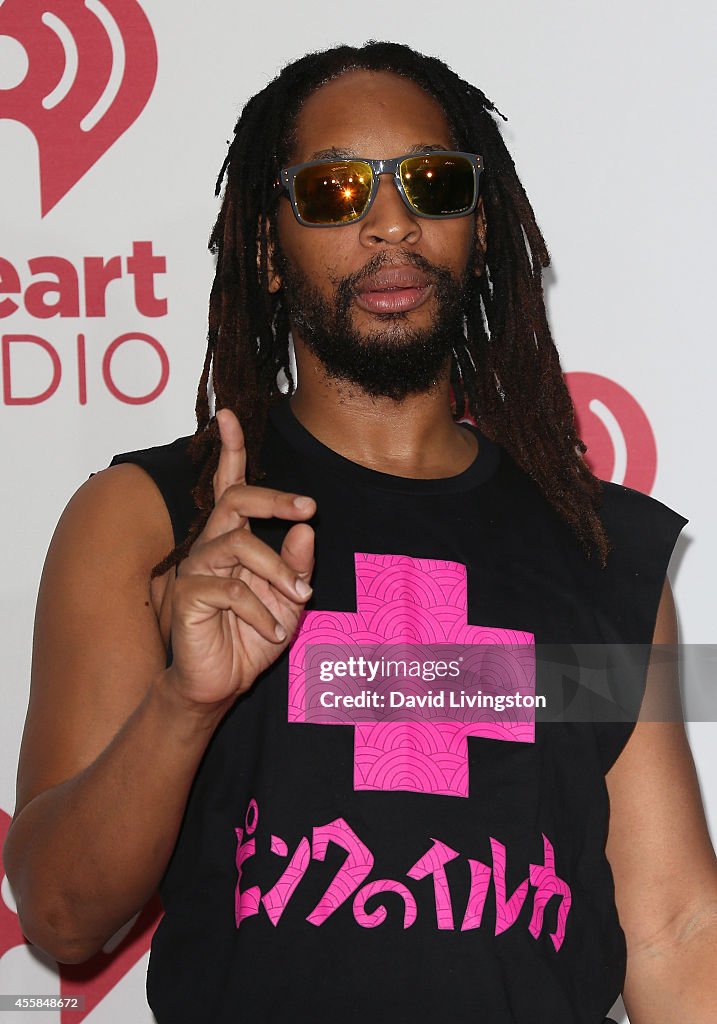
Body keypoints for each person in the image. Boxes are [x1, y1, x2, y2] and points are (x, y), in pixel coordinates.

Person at [3, 40, 717, 1024]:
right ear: (266, 242)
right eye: (336, 192)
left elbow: (675, 930)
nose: (391, 224)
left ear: (479, 223)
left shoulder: (600, 549)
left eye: (432, 182)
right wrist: (185, 702)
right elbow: (60, 916)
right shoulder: (152, 517)